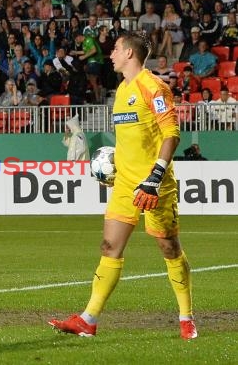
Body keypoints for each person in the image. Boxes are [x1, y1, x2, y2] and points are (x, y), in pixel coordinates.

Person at [49, 31, 197, 340]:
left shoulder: (154, 87)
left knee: (169, 248)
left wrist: (154, 176)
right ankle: (88, 320)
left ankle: (186, 318)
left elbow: (171, 133)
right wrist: (114, 165)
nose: (111, 54)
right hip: (126, 184)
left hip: (154, 185)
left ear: (130, 53)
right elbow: (134, 139)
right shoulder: (121, 90)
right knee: (109, 247)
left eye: (115, 49)